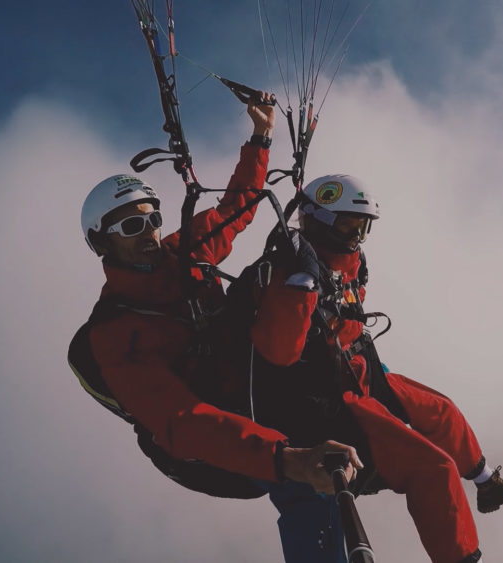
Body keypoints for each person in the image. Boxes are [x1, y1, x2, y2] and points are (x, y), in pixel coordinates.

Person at [67, 95, 363, 561]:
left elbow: (235, 209)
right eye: (129, 226)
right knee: (306, 486)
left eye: (151, 219)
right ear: (101, 243)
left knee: (274, 276)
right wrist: (288, 459)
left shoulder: (183, 254)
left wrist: (261, 136)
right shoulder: (114, 333)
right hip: (201, 447)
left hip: (245, 382)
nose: (146, 232)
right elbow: (179, 421)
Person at [226, 174, 503, 563]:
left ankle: (487, 483)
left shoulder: (345, 260)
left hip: (360, 367)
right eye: (347, 225)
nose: (357, 235)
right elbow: (281, 353)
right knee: (434, 469)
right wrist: (301, 287)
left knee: (442, 410)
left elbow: (348, 313)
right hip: (331, 394)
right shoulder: (288, 274)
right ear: (319, 221)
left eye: (363, 226)